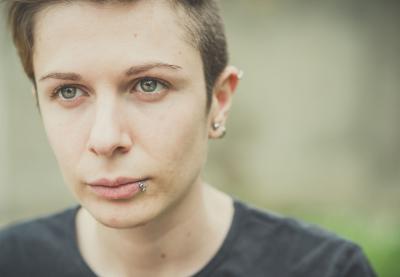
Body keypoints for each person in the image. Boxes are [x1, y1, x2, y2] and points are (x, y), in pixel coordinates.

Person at [0, 0, 376, 276]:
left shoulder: (326, 270)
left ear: (219, 100)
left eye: (149, 85)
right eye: (68, 92)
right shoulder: (11, 261)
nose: (105, 138)